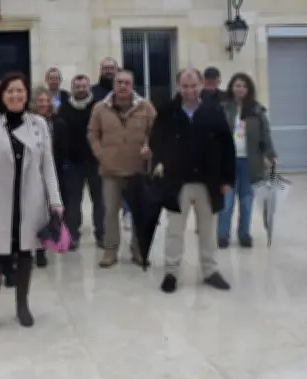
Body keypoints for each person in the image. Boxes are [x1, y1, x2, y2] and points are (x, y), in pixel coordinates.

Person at [0, 72, 63, 336]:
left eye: (20, 90)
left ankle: (22, 305)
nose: (15, 95)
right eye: (10, 91)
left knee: (25, 253)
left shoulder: (39, 124)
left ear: (27, 94)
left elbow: (48, 166)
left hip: (30, 199)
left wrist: (56, 201)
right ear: (1, 95)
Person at [149, 68, 235, 294]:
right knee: (175, 229)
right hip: (177, 182)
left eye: (193, 85)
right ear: (178, 86)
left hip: (209, 181)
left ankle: (210, 271)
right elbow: (156, 141)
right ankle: (171, 272)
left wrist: (227, 178)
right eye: (185, 86)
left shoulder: (214, 110)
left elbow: (227, 145)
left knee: (207, 229)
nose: (189, 90)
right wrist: (161, 163)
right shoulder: (167, 111)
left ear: (200, 85)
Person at [87, 70, 156, 267]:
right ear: (114, 85)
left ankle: (139, 250)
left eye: (127, 82)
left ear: (133, 85)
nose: (123, 86)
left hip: (138, 170)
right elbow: (92, 134)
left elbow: (158, 131)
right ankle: (110, 251)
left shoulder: (146, 107)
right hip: (110, 171)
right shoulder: (100, 108)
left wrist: (150, 147)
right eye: (119, 82)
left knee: (139, 213)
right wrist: (101, 154)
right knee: (109, 212)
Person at [217, 73, 277, 248]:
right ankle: (222, 234)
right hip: (228, 161)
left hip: (250, 162)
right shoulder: (223, 108)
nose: (240, 88)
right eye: (237, 85)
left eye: (243, 85)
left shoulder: (257, 110)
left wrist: (271, 155)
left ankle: (244, 234)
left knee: (246, 200)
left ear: (248, 88)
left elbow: (266, 135)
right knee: (226, 201)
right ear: (231, 88)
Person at [59, 74, 103, 250]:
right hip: (73, 163)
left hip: (95, 162)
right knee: (73, 202)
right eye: (77, 87)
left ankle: (102, 235)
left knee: (100, 201)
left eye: (84, 86)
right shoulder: (64, 108)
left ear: (89, 87)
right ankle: (72, 236)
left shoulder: (98, 107)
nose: (81, 89)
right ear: (72, 88)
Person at [30, 86, 69, 268]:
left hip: (55, 172)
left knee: (47, 213)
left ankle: (42, 248)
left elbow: (63, 147)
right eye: (40, 101)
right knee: (33, 212)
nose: (44, 104)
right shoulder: (26, 122)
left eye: (47, 101)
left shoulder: (58, 122)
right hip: (32, 173)